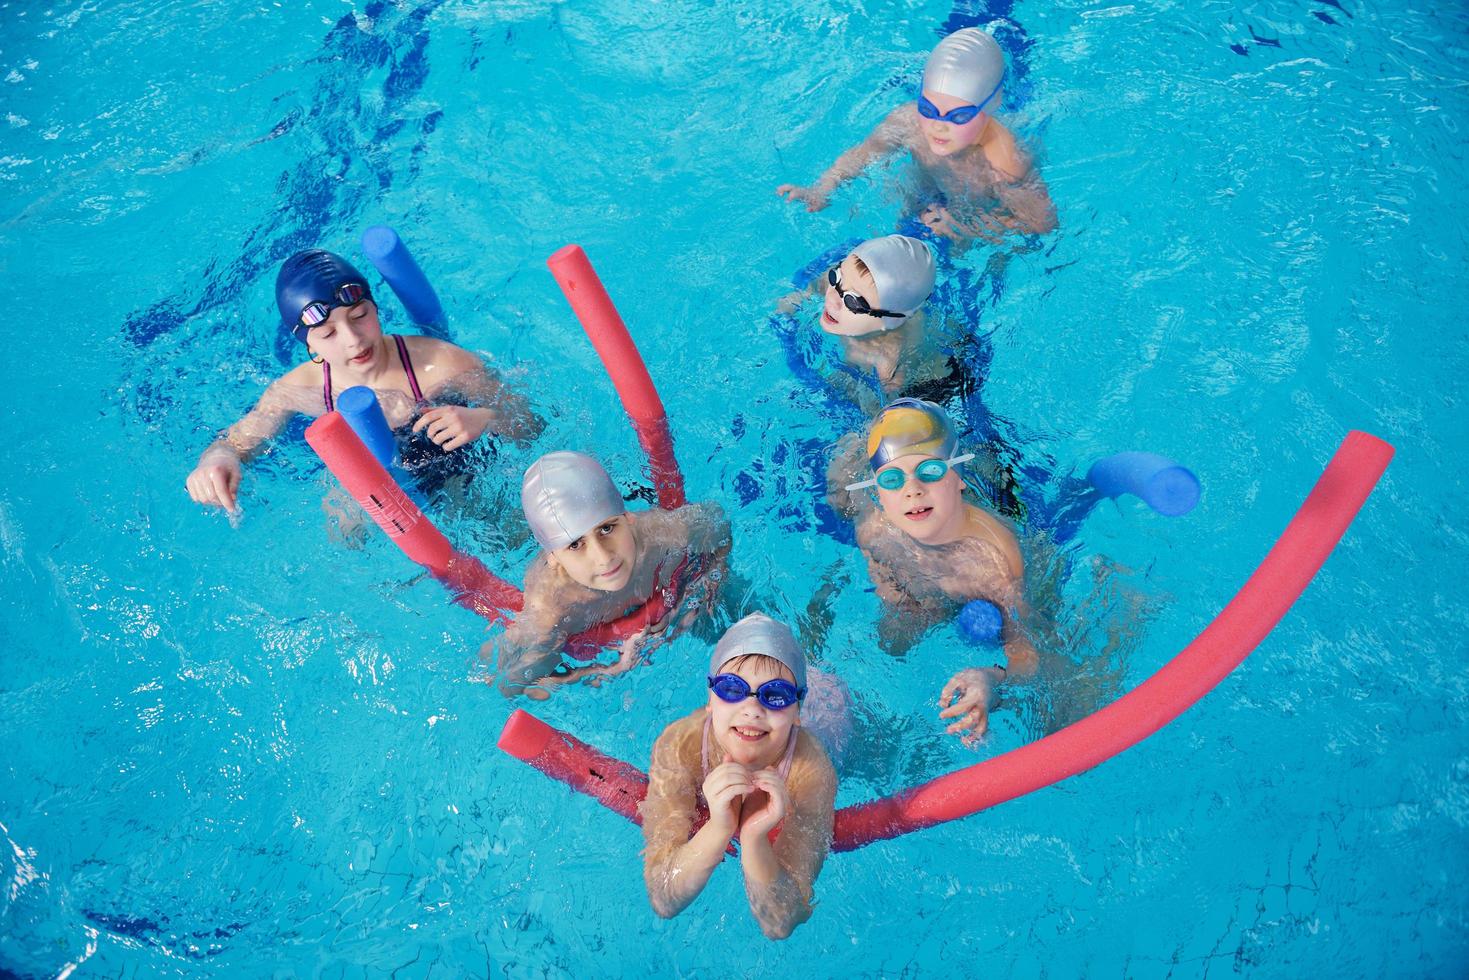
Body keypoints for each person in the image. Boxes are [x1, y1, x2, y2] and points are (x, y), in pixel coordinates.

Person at [185, 249, 541, 512]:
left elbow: (533, 423)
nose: (353, 339)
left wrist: (485, 419)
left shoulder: (441, 363)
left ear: (376, 308)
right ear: (307, 344)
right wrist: (216, 461)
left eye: (359, 316)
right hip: (377, 486)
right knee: (342, 518)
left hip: (456, 468)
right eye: (327, 333)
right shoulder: (296, 390)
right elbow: (236, 442)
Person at [829, 397, 1038, 743]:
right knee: (892, 643)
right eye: (893, 479)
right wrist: (911, 607)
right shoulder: (876, 532)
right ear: (877, 492)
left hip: (995, 519)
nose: (912, 490)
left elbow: (1029, 654)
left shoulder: (996, 560)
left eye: (930, 471)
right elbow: (892, 591)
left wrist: (990, 678)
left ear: (958, 476)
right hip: (926, 573)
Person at [641, 613, 836, 940]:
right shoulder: (679, 746)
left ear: (797, 710)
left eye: (776, 695)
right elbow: (663, 898)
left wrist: (754, 838)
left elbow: (780, 922)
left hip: (833, 714)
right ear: (710, 699)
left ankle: (815, 627)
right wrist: (719, 827)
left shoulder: (811, 769)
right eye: (732, 689)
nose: (752, 710)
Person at [777, 27, 1056, 243]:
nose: (938, 125)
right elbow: (863, 155)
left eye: (958, 116)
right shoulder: (908, 120)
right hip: (927, 197)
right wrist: (823, 187)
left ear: (989, 108)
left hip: (975, 213)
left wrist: (970, 228)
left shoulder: (1006, 161)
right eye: (929, 108)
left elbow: (1042, 225)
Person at [489, 451, 730, 698]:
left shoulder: (662, 536)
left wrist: (700, 594)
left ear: (628, 518)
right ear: (553, 557)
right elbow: (510, 687)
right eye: (574, 545)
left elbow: (716, 523)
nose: (603, 557)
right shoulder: (552, 606)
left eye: (606, 528)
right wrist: (609, 670)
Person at [779, 234, 952, 407]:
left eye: (853, 301)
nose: (832, 299)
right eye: (837, 277)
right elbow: (817, 284)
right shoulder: (839, 283)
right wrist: (802, 296)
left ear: (889, 320)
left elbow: (881, 413)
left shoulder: (889, 364)